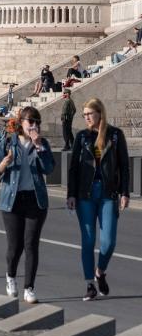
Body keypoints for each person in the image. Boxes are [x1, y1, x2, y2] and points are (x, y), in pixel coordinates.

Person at [67, 98, 130, 301]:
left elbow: (124, 167)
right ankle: (89, 284)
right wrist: (71, 194)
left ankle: (100, 271)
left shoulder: (115, 135)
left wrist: (125, 192)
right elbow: (74, 168)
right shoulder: (82, 137)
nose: (86, 117)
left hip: (108, 194)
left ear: (99, 113)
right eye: (84, 114)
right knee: (87, 241)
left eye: (89, 114)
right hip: (85, 194)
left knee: (108, 242)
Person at [0, 106, 54, 304]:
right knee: (15, 246)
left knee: (31, 245)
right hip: (12, 200)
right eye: (30, 122)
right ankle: (10, 277)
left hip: (35, 200)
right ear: (21, 123)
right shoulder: (9, 142)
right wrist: (4, 163)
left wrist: (39, 147)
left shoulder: (42, 144)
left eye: (37, 123)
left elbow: (49, 168)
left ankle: (29, 288)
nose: (34, 126)